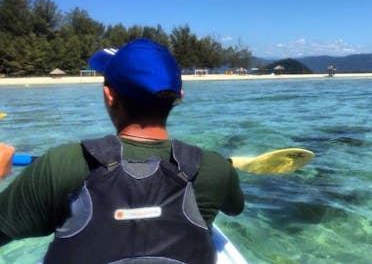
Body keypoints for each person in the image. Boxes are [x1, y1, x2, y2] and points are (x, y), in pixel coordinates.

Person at [0, 38, 244, 263]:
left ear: (109, 96)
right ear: (179, 97)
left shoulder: (61, 164)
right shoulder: (214, 169)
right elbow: (235, 208)